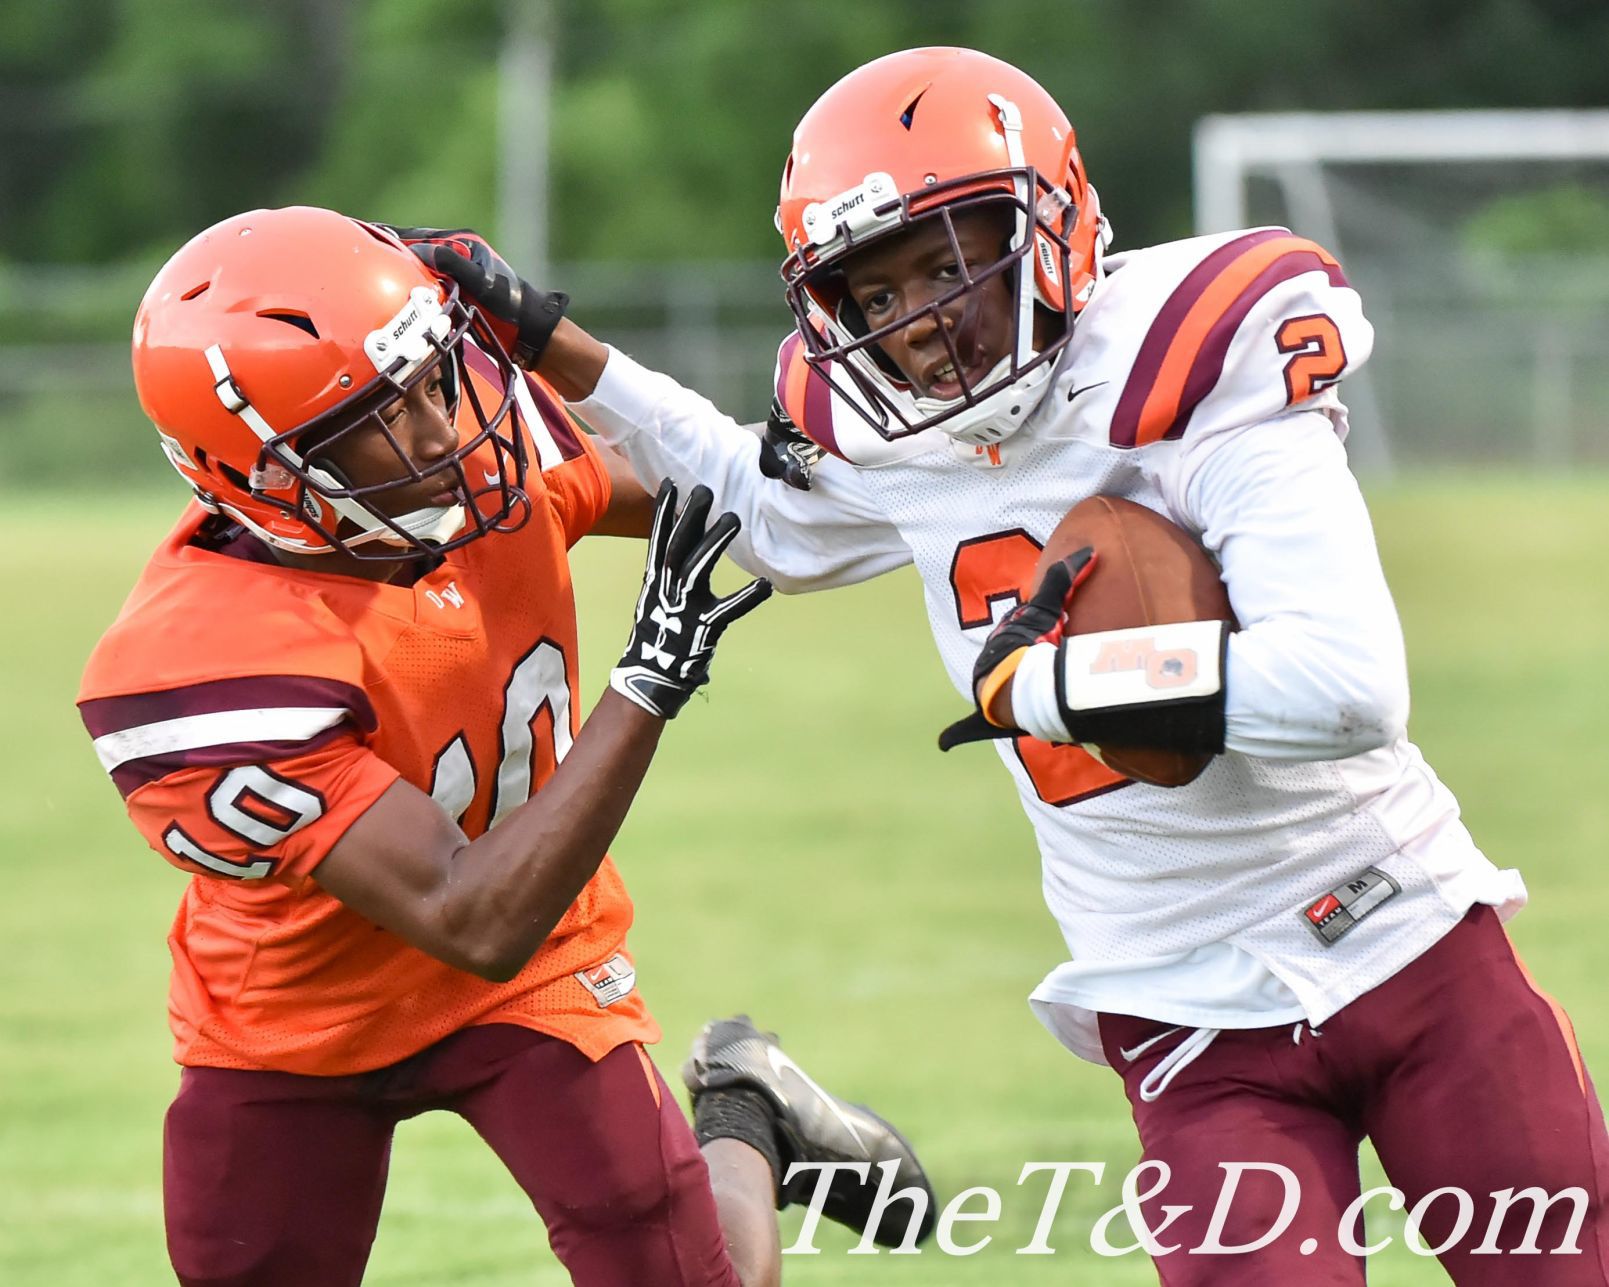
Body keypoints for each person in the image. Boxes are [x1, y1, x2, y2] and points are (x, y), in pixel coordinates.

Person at [420, 45, 1609, 1284]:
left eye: (944, 265)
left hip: (1407, 944)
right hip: (1183, 1008)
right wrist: (548, 339)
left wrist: (1036, 686)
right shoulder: (896, 436)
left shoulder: (1195, 361)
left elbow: (1346, 689)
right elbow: (761, 515)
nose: (920, 324)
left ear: (1050, 221)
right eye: (872, 300)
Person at [77, 205, 934, 1287]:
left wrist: (555, 342)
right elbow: (466, 913)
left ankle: (743, 1113)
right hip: (295, 1013)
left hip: (532, 970)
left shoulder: (484, 440)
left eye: (436, 380)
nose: (441, 434)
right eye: (375, 424)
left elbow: (766, 500)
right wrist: (649, 680)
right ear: (259, 471)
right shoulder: (193, 666)